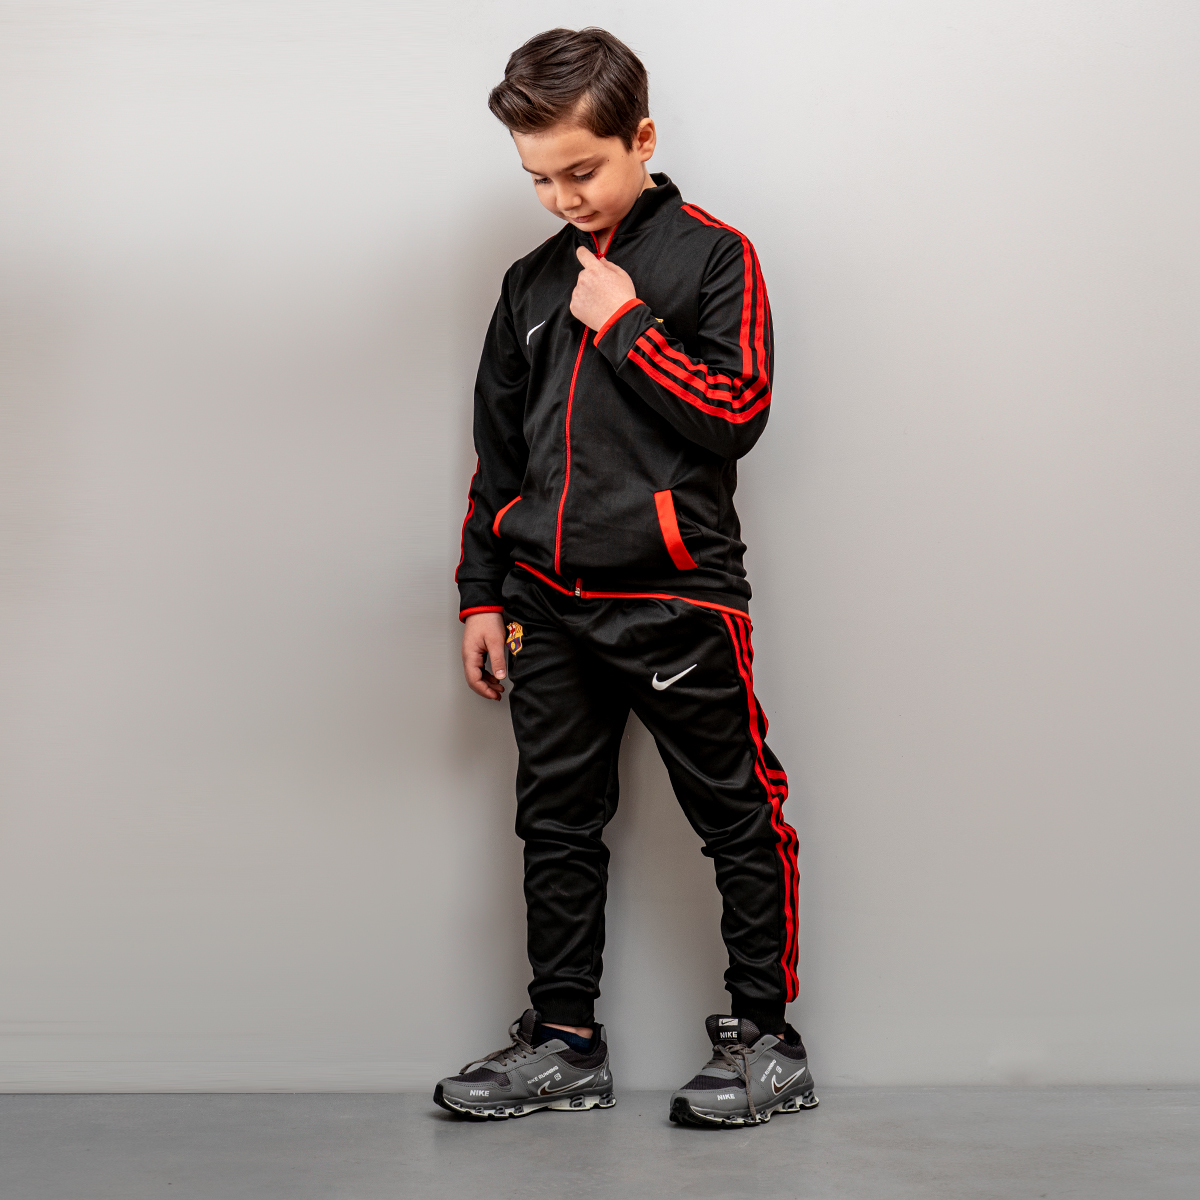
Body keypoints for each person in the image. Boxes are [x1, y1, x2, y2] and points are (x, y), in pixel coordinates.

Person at [435, 27, 817, 1128]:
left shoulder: (714, 257)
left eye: (582, 171)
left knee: (739, 816)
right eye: (539, 179)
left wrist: (628, 324)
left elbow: (735, 414)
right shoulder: (528, 284)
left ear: (641, 138)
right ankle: (565, 1045)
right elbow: (497, 458)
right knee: (555, 824)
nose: (562, 199)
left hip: (676, 601)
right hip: (543, 607)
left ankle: (769, 1041)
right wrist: (480, 593)